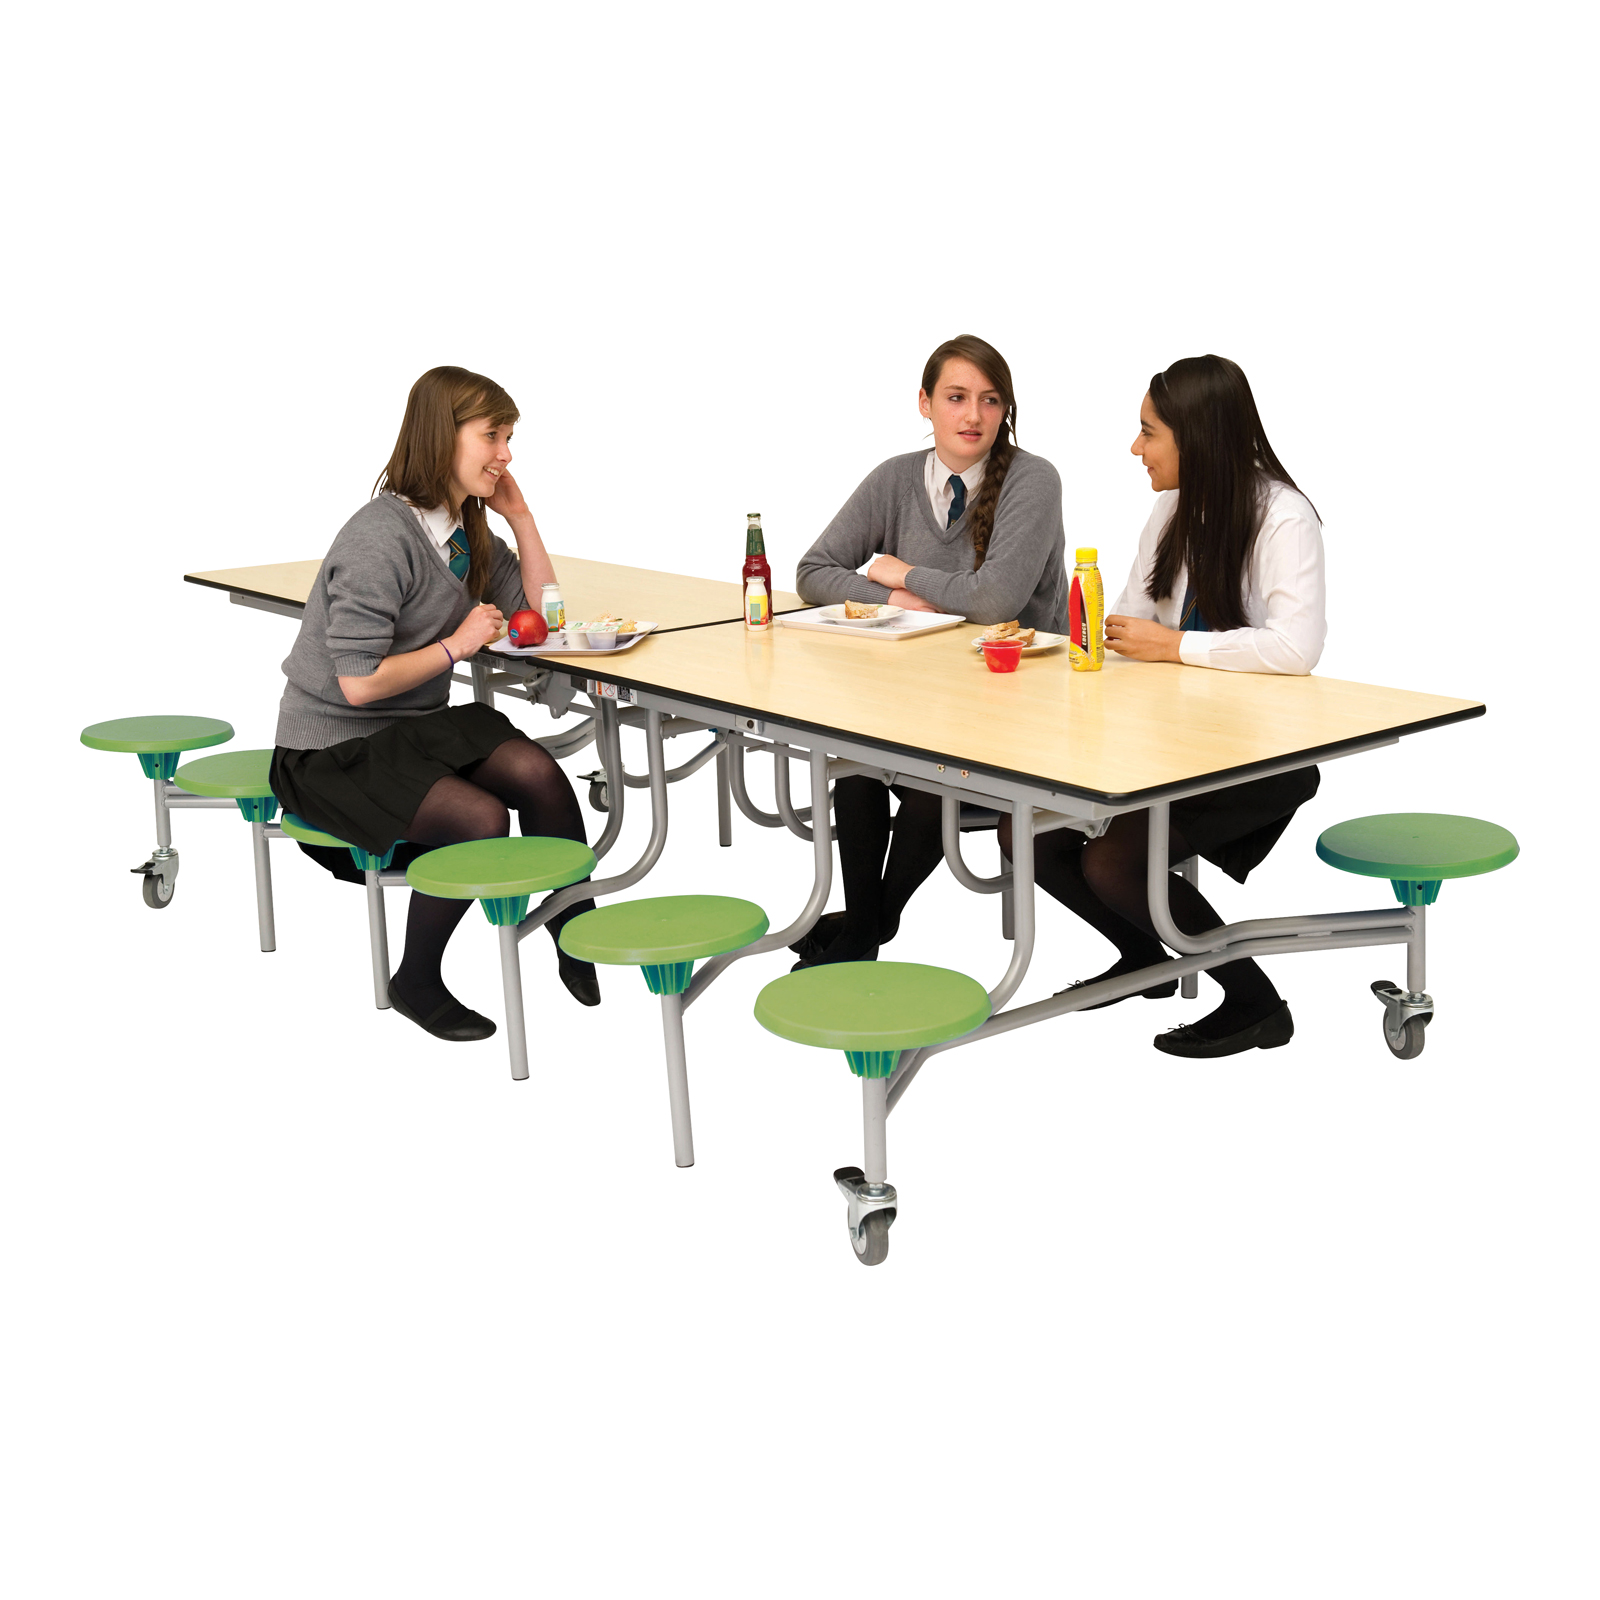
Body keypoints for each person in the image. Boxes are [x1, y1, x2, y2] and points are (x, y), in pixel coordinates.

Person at [1000, 353, 1325, 1058]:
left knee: (1114, 864)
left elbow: (1295, 648)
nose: (1134, 447)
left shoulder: (1283, 515)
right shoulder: (1172, 509)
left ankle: (1257, 1005)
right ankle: (1144, 956)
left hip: (1259, 754)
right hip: (1172, 742)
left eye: (1149, 432)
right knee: (1027, 835)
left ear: (1196, 437)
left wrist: (1175, 646)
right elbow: (1131, 621)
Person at [270, 366, 599, 1042]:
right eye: (492, 437)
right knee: (480, 817)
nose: (506, 454)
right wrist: (456, 646)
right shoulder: (379, 537)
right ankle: (416, 980)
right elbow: (358, 684)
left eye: (509, 437)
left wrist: (521, 518)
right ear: (442, 437)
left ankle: (571, 920)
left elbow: (544, 617)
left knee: (536, 771)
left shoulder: (464, 531)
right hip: (331, 750)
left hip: (410, 733)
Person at [791, 335, 1066, 968]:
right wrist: (898, 600)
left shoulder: (1032, 479)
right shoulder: (894, 478)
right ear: (925, 403)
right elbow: (813, 571)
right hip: (913, 700)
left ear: (1006, 409)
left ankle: (866, 929)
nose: (974, 415)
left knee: (930, 785)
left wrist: (903, 572)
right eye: (956, 397)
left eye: (990, 400)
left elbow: (994, 601)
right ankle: (867, 927)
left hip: (1012, 706)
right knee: (854, 768)